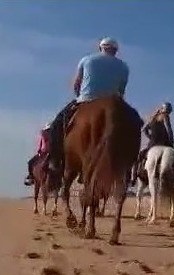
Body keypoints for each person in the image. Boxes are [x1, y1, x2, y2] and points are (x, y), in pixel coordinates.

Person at [44, 37, 131, 175]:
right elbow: (121, 91)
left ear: (100, 48)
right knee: (135, 123)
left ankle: (55, 161)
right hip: (115, 102)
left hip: (86, 100)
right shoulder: (124, 67)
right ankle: (129, 164)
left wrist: (79, 95)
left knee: (56, 126)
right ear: (115, 51)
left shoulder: (86, 60)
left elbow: (76, 84)